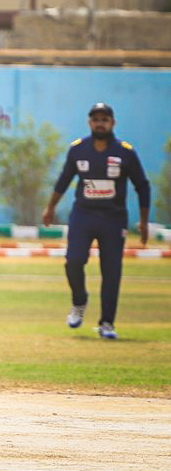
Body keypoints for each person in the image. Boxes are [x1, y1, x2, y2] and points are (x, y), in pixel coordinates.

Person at [42, 102, 150, 340]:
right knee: (73, 261)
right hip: (84, 215)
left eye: (104, 119)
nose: (100, 123)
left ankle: (107, 323)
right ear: (89, 122)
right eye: (96, 119)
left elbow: (142, 185)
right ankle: (79, 301)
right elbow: (64, 179)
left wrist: (144, 221)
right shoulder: (78, 149)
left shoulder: (125, 152)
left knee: (111, 271)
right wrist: (50, 207)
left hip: (113, 218)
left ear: (113, 123)